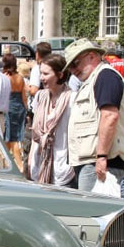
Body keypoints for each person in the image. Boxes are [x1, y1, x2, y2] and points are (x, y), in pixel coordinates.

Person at [64, 39, 124, 198]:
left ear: (92, 56)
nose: (73, 70)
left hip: (99, 162)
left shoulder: (105, 76)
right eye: (70, 67)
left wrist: (101, 157)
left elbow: (109, 116)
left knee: (94, 213)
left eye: (75, 63)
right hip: (93, 161)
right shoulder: (96, 78)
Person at [28, 55, 75, 187]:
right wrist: (31, 158)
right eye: (41, 73)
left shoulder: (72, 99)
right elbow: (35, 134)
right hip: (40, 162)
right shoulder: (40, 96)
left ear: (60, 75)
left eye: (46, 74)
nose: (41, 78)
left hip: (63, 166)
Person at [1, 54, 27, 170]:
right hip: (20, 107)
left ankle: (19, 165)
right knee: (14, 136)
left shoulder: (4, 77)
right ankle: (3, 160)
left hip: (9, 107)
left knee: (12, 138)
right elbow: (24, 96)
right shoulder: (20, 77)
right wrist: (26, 110)